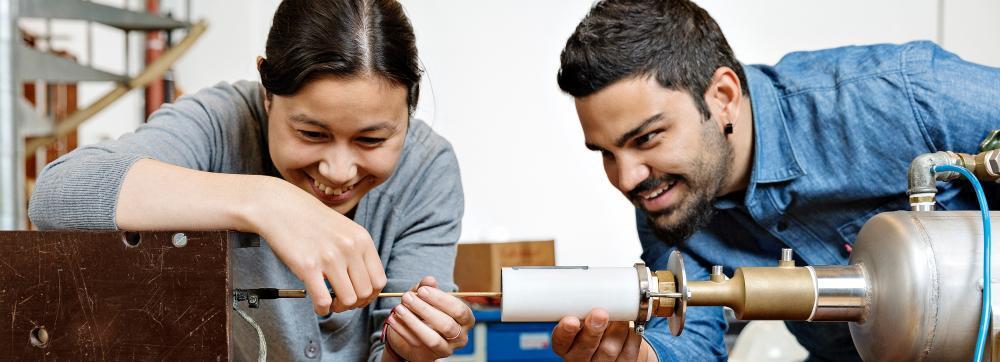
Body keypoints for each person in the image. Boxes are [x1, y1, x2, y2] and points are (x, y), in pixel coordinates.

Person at [550, 0, 1000, 360]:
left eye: (647, 138)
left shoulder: (900, 94)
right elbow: (691, 333)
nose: (627, 178)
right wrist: (646, 357)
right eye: (607, 153)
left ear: (723, 97)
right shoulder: (668, 205)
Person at [28, 0, 473, 360]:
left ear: (409, 109)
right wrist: (265, 200)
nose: (338, 171)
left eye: (372, 139)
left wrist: (407, 351)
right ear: (266, 93)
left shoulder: (428, 169)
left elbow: (394, 346)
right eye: (311, 133)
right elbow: (57, 195)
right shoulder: (222, 122)